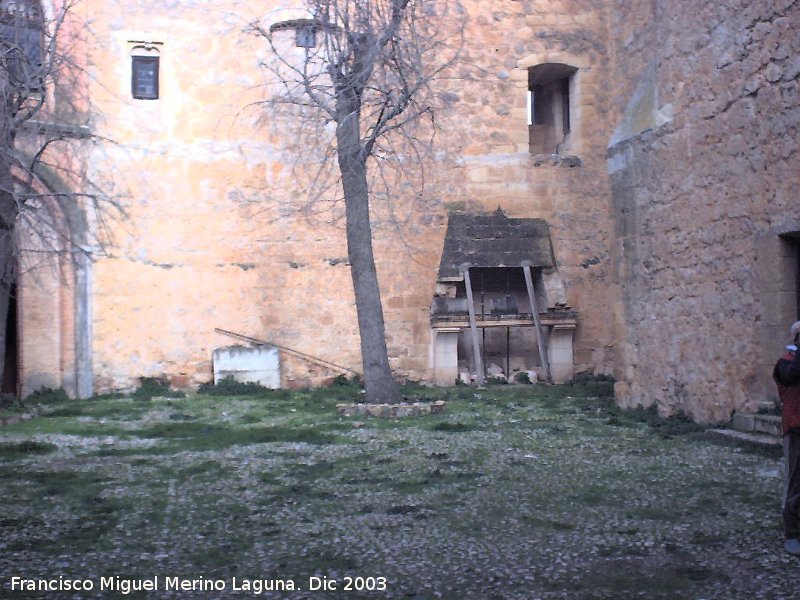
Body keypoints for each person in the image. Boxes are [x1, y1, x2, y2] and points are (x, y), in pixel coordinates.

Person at [774, 320, 800, 556]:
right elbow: (793, 375)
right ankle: (792, 533)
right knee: (794, 483)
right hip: (795, 429)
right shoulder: (784, 364)